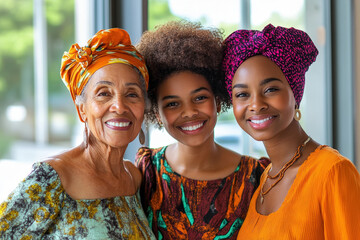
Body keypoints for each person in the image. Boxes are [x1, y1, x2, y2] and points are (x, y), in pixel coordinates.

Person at [0, 28, 156, 239]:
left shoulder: (134, 177)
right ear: (82, 109)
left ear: (143, 109)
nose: (119, 106)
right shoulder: (53, 178)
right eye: (103, 93)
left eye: (132, 94)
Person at [222, 24, 360, 239]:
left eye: (271, 90)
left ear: (295, 94)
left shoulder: (332, 172)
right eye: (242, 94)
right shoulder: (265, 178)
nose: (256, 104)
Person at [135, 20, 269, 240]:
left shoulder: (256, 176)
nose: (189, 112)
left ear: (217, 101)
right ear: (157, 113)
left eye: (199, 98)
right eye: (172, 104)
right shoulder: (147, 171)